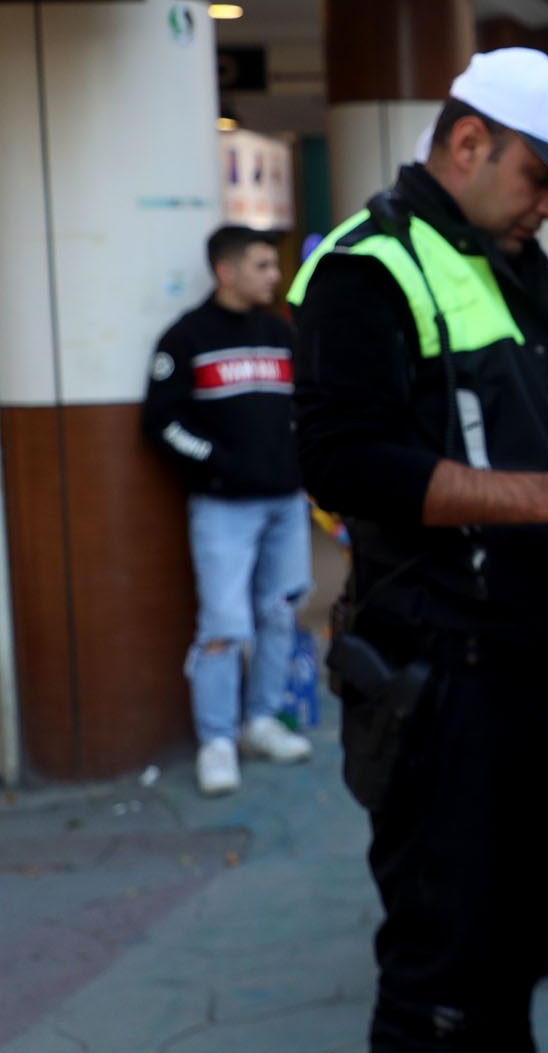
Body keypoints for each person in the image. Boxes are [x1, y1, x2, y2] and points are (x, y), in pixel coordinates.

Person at [292, 47, 548, 1050]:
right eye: (542, 179)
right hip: (441, 669)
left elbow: (544, 438)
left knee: (512, 947)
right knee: (441, 976)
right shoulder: (366, 265)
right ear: (467, 141)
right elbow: (346, 466)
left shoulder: (511, 261)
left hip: (531, 655)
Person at [142, 225, 314, 797]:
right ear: (226, 270)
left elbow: (308, 411)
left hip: (286, 504)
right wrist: (218, 462)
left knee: (279, 614)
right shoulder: (186, 338)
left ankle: (259, 721)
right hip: (222, 509)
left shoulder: (281, 335)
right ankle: (217, 741)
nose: (274, 276)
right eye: (263, 265)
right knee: (222, 627)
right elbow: (162, 423)